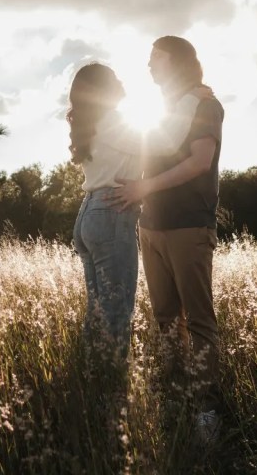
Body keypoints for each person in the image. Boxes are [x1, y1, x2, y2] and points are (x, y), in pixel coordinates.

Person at [108, 36, 225, 444]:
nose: (149, 67)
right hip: (151, 225)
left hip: (189, 224)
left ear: (177, 63)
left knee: (198, 322)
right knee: (164, 320)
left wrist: (144, 187)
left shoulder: (206, 105)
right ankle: (176, 399)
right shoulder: (163, 112)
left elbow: (199, 162)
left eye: (155, 59)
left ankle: (207, 411)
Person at [67, 62, 203, 373]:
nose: (121, 79)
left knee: (98, 309)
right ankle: (111, 385)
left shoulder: (94, 123)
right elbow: (166, 139)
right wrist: (192, 99)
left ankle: (92, 377)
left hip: (89, 212)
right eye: (114, 78)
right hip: (110, 213)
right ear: (103, 89)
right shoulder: (111, 120)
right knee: (117, 308)